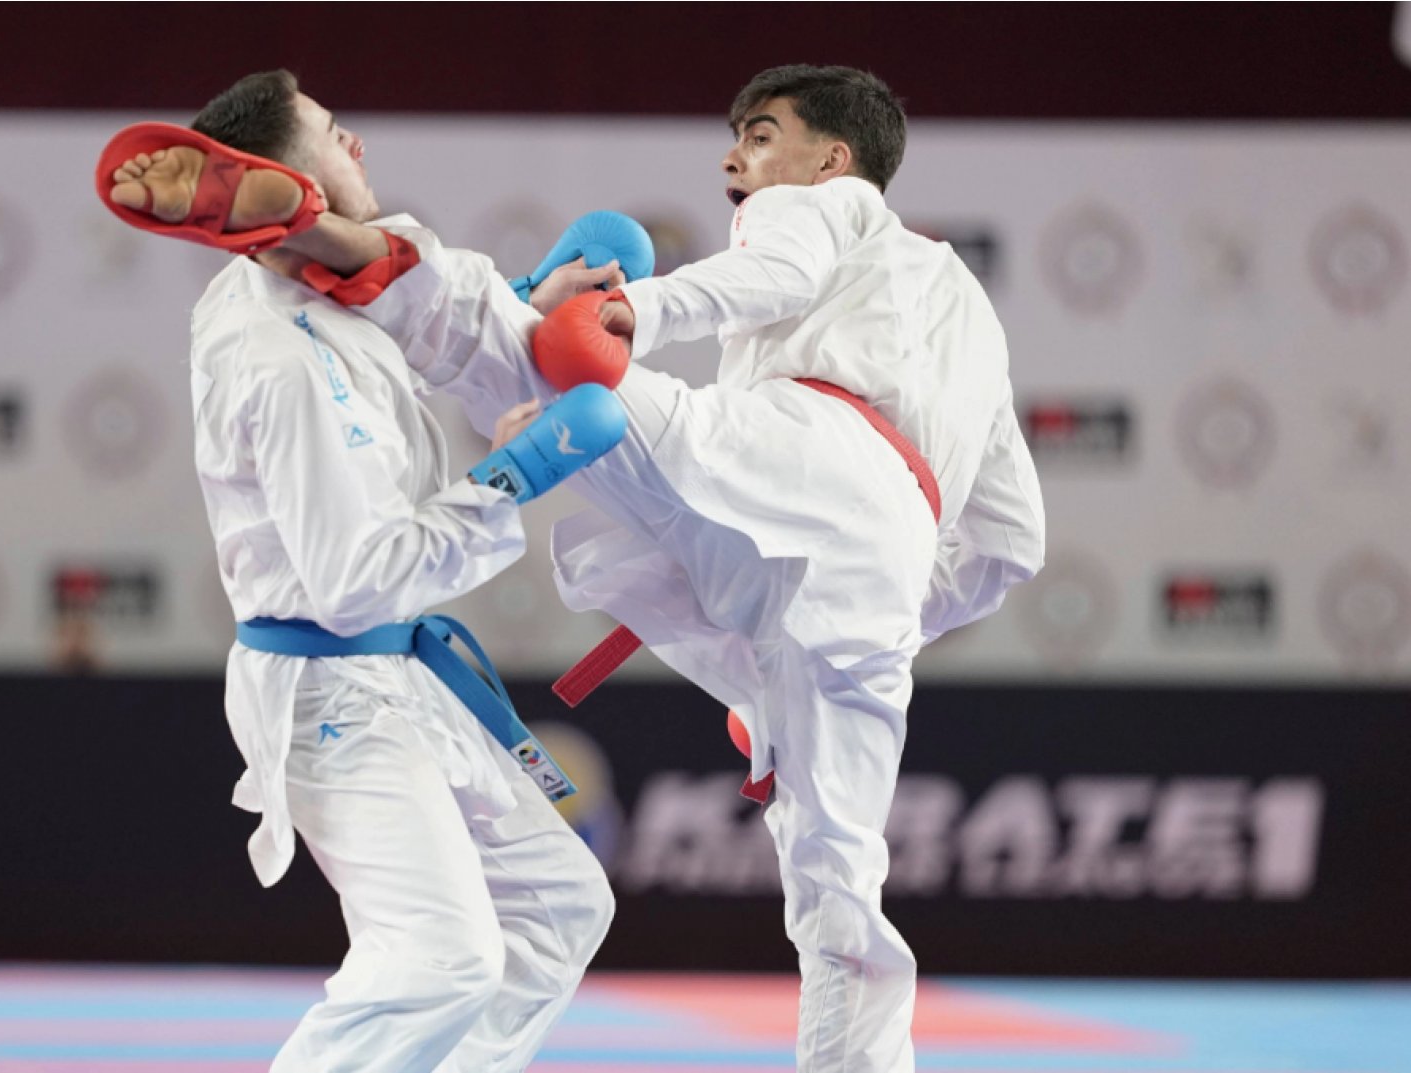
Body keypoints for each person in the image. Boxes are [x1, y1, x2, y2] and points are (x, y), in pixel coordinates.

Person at [108, 64, 1045, 1073]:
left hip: (799, 455)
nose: (737, 158)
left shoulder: (824, 203)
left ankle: (344, 244)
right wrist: (820, 647)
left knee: (564, 362)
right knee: (834, 885)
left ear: (835, 156)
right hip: (876, 558)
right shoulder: (971, 314)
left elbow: (765, 278)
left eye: (761, 134)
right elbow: (1008, 543)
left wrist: (630, 314)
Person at [107, 71, 617, 1073]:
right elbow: (354, 579)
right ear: (281, 183)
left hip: (391, 672)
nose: (362, 145)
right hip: (331, 683)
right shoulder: (281, 355)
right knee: (439, 958)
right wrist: (510, 475)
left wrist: (516, 312)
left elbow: (400, 292)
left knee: (557, 902)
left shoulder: (319, 284)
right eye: (337, 135)